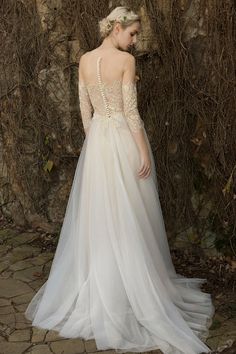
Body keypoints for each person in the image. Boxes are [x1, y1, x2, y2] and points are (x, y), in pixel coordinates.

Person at [25, 6, 215, 354]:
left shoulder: (83, 59)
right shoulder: (126, 63)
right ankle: (132, 289)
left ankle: (103, 287)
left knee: (101, 217)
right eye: (132, 33)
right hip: (123, 140)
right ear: (115, 28)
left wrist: (95, 142)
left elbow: (84, 109)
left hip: (96, 144)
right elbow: (131, 112)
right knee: (129, 216)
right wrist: (143, 152)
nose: (135, 39)